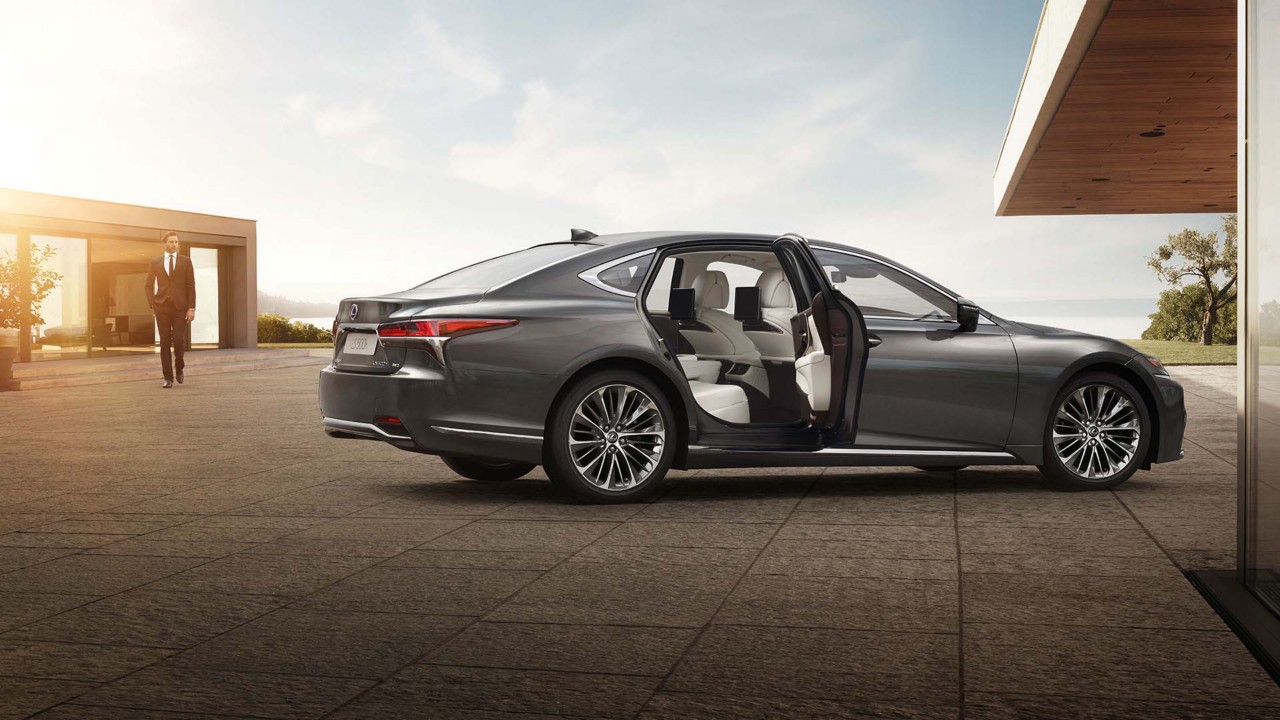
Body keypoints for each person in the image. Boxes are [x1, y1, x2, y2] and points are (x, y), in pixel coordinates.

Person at [145, 231, 196, 388]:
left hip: (180, 308)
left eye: (176, 242)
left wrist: (191, 308)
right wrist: (152, 303)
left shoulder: (186, 261)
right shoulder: (155, 262)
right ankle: (168, 378)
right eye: (171, 242)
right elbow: (148, 284)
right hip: (162, 307)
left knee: (179, 342)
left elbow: (190, 286)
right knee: (165, 343)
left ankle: (179, 368)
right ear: (164, 243)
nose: (174, 244)